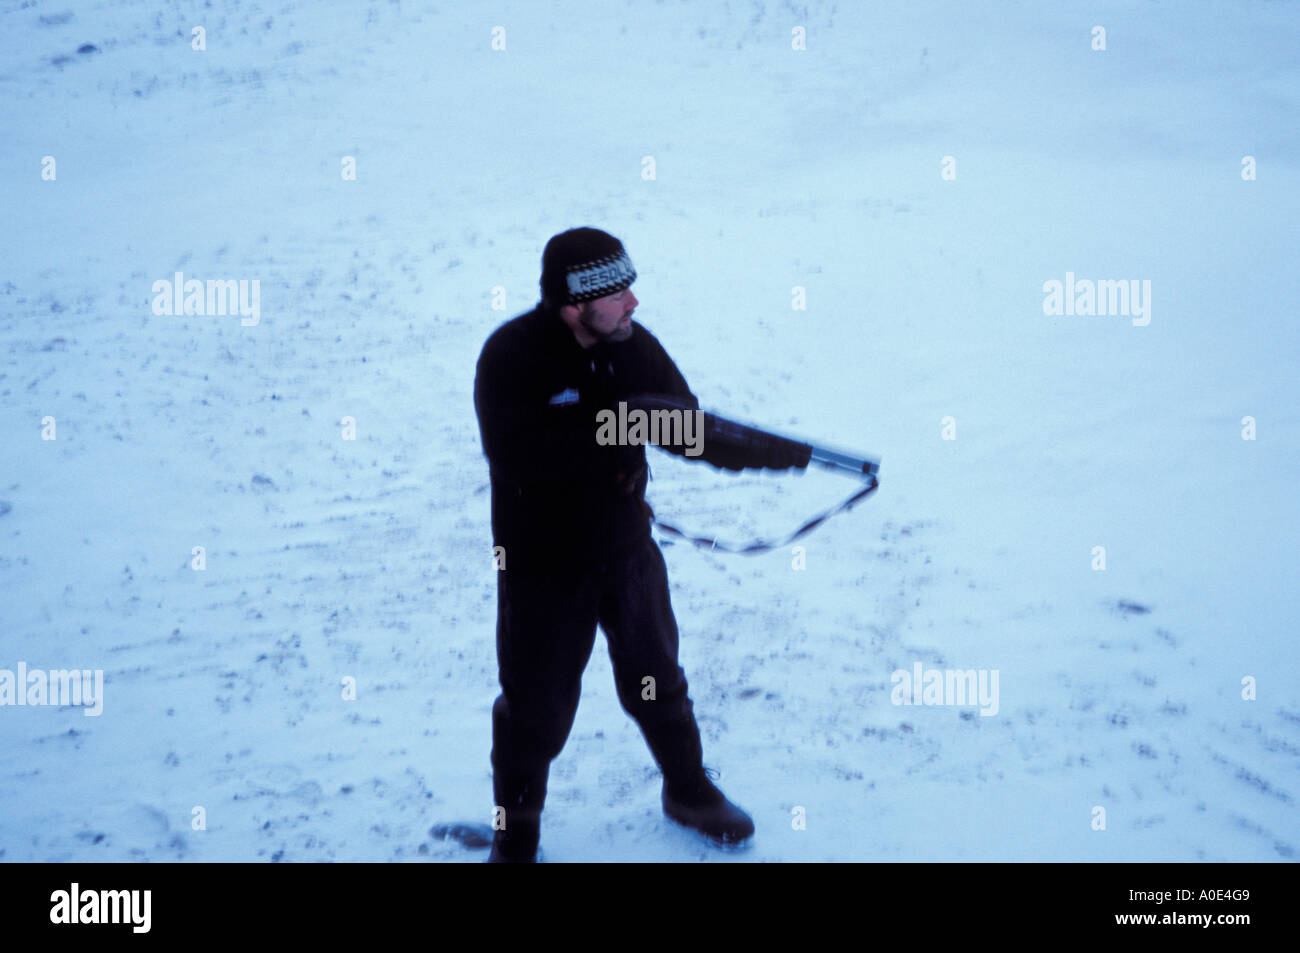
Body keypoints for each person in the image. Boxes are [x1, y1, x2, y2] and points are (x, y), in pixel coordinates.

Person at [473, 227, 810, 862]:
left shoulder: (630, 345)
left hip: (626, 552)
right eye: (617, 292)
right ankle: (514, 839)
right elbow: (517, 457)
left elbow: (685, 423)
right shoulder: (512, 357)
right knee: (535, 709)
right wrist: (612, 427)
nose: (633, 303)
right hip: (542, 564)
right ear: (575, 302)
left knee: (655, 679)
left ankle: (687, 790)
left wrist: (774, 454)